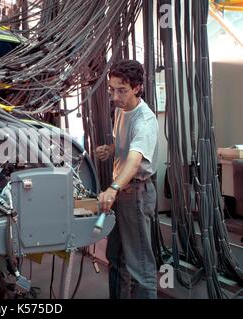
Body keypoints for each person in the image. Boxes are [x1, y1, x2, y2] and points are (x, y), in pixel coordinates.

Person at [96, 59, 158, 299]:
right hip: (122, 194)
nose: (115, 96)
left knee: (140, 266)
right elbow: (127, 146)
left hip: (136, 195)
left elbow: (134, 161)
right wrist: (111, 149)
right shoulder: (122, 111)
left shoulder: (145, 120)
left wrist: (112, 188)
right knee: (116, 258)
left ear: (137, 88)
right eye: (112, 89)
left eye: (122, 90)